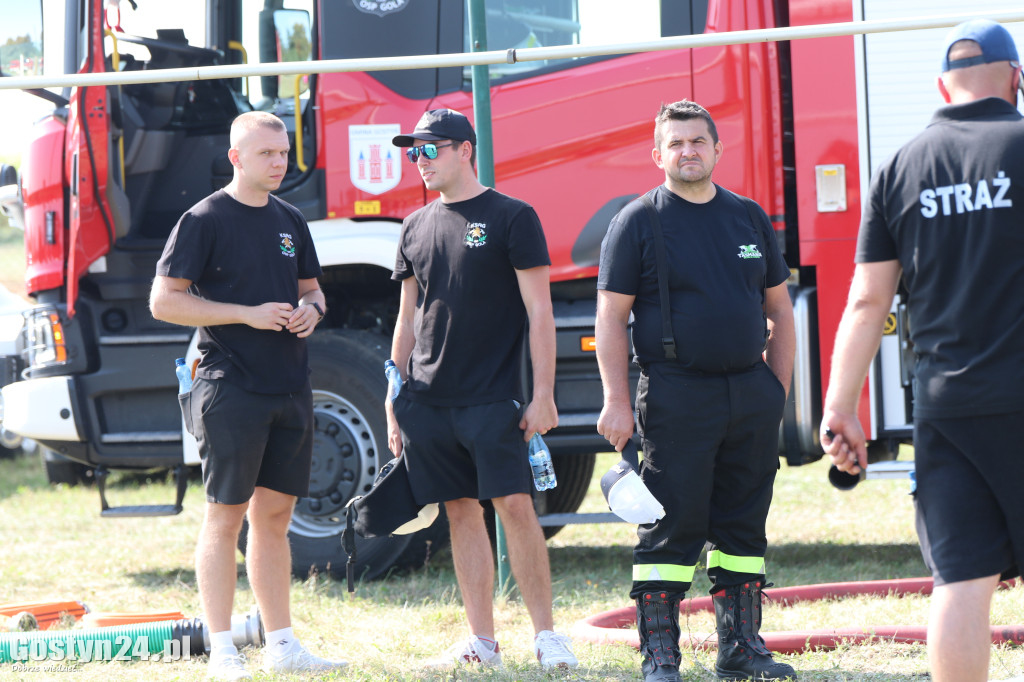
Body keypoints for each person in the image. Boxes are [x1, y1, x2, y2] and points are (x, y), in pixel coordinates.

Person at [821, 20, 1024, 682]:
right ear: (1015, 79)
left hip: (949, 406)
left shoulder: (901, 167)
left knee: (961, 577)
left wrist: (839, 407)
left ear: (943, 84)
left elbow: (866, 302)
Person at [596, 99, 796, 682]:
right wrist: (614, 399)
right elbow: (610, 318)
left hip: (749, 394)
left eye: (698, 141)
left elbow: (779, 309)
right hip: (676, 392)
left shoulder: (748, 218)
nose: (688, 151)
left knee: (742, 523)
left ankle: (741, 650)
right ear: (658, 154)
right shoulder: (638, 221)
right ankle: (661, 656)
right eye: (676, 143)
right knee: (670, 523)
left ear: (717, 149)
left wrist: (775, 391)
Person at [150, 111, 344, 681]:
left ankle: (282, 643)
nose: (280, 163)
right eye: (267, 155)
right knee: (224, 517)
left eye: (284, 154)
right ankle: (222, 649)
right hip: (228, 386)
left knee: (276, 516)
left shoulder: (290, 220)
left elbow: (314, 290)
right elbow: (164, 302)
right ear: (236, 157)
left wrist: (312, 310)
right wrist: (245, 315)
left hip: (289, 384)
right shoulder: (202, 219)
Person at [385, 108, 578, 671]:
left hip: (495, 398)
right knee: (459, 511)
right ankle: (482, 642)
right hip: (426, 398)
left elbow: (540, 312)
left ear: (464, 149)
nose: (418, 161)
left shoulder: (513, 216)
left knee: (515, 507)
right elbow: (405, 319)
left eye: (429, 149)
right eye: (412, 152)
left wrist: (544, 394)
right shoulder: (414, 226)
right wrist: (393, 396)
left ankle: (546, 636)